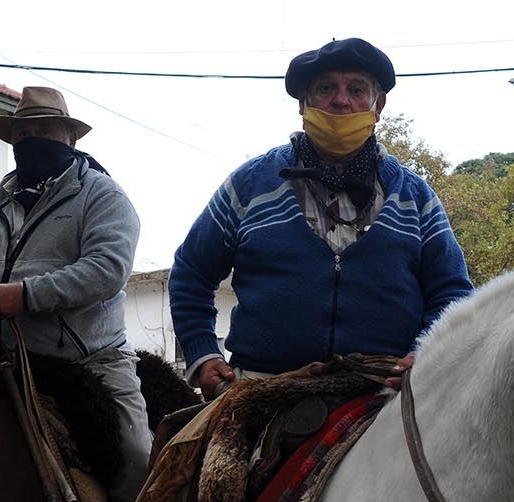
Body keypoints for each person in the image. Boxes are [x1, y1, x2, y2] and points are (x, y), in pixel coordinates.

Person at [169, 38, 472, 400]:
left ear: (379, 105)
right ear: (303, 104)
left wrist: (426, 351)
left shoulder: (415, 196)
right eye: (326, 88)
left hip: (385, 394)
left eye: (357, 89)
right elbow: (191, 271)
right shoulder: (249, 184)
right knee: (171, 453)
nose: (341, 100)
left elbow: (453, 292)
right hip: (260, 389)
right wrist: (203, 354)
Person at [0, 86, 149, 502]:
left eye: (45, 129)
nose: (32, 139)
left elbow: (107, 270)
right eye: (24, 132)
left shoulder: (103, 197)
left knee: (136, 455)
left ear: (70, 138)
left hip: (89, 359)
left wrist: (26, 295)